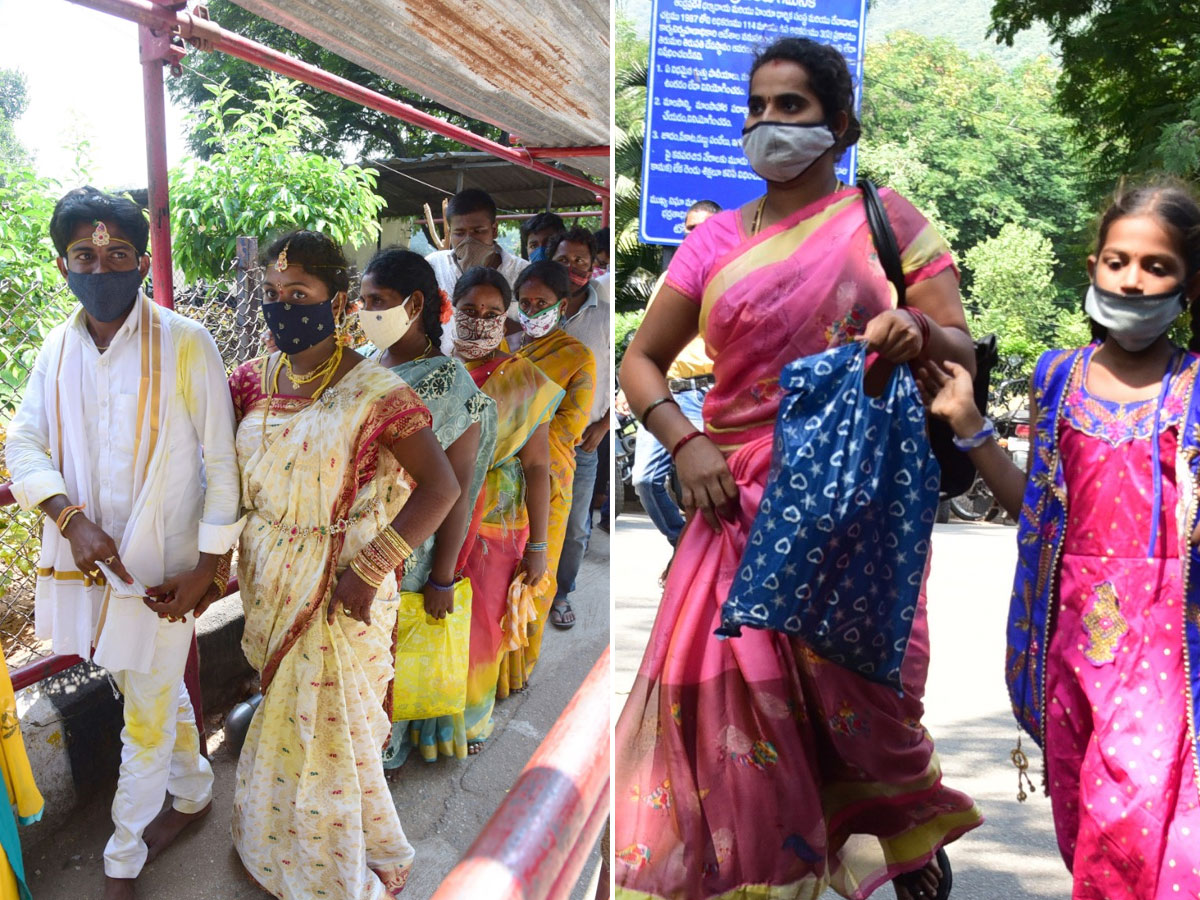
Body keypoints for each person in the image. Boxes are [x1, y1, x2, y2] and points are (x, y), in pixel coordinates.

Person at [614, 37, 982, 900]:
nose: (769, 124)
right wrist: (686, 439)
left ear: (839, 122)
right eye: (759, 107)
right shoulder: (709, 245)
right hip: (736, 500)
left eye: (793, 108)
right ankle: (760, 874)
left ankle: (900, 829)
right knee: (725, 702)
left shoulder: (886, 218)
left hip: (857, 500)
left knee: (866, 697)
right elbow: (641, 362)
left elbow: (961, 342)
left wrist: (919, 333)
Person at [921, 179, 1200, 899]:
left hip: (1168, 649)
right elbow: (1037, 512)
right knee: (1089, 829)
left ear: (1189, 284)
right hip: (1073, 641)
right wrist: (969, 425)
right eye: (1118, 261)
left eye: (1157, 266)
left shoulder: (1195, 386)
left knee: (1141, 822)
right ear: (1093, 268)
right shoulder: (1057, 376)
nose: (1132, 279)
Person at [5, 187, 242, 900]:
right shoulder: (56, 347)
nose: (101, 266)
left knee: (141, 716)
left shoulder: (185, 340)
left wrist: (209, 570)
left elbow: (222, 463)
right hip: (92, 571)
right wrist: (69, 518)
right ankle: (196, 793)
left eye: (117, 254)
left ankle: (123, 855)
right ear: (62, 266)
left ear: (141, 262)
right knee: (150, 682)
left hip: (168, 574)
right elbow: (22, 441)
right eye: (85, 255)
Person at [228, 230, 460, 899]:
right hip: (271, 577)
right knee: (280, 720)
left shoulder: (377, 392)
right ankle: (270, 846)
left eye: (298, 293)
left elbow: (442, 487)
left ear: (336, 302)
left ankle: (332, 870)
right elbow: (225, 486)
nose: (281, 305)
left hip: (344, 587)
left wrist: (370, 569)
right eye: (272, 293)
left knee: (332, 736)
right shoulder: (249, 381)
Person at [356, 248, 499, 768]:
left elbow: (457, 487)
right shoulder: (366, 366)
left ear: (414, 305)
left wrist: (443, 577)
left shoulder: (448, 382)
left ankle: (384, 757)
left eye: (379, 301)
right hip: (355, 540)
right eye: (362, 300)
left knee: (396, 655)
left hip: (409, 551)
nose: (365, 311)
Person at [449, 266, 563, 750]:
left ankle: (469, 721)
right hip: (428, 514)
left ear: (506, 319)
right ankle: (417, 723)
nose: (480, 321)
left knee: (480, 627)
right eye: (470, 311)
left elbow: (538, 468)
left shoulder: (524, 383)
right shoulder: (431, 367)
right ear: (452, 311)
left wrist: (538, 545)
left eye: (493, 313)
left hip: (495, 525)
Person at [505, 262, 596, 671]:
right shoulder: (506, 345)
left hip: (550, 477)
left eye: (541, 303)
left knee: (538, 570)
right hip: (499, 479)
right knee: (498, 573)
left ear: (561, 307)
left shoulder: (577, 356)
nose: (531, 310)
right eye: (524, 302)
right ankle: (491, 668)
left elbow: (569, 428)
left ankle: (520, 667)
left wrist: (515, 429)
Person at [625, 200, 721, 548]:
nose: (693, 236)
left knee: (710, 488)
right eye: (688, 229)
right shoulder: (671, 278)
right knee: (644, 479)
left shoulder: (731, 275)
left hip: (708, 394)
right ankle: (681, 544)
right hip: (667, 394)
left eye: (702, 228)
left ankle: (701, 558)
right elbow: (647, 342)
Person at [540, 228, 611, 629]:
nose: (572, 267)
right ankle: (528, 589)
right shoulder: (535, 308)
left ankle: (561, 592)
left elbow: (616, 369)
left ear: (593, 263)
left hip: (584, 441)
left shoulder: (604, 308)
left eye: (580, 260)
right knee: (529, 518)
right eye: (564, 260)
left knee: (575, 528)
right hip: (532, 437)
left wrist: (605, 424)